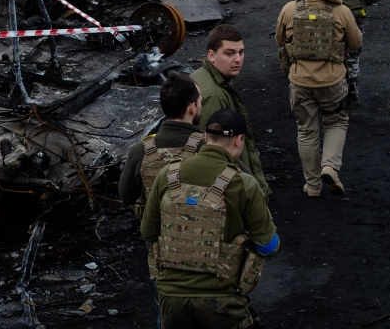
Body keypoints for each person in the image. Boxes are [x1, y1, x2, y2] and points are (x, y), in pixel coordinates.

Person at [142, 108, 279, 329]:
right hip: (221, 301)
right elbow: (268, 246)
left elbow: (147, 232)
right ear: (239, 141)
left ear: (205, 137)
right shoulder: (244, 183)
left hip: (171, 300)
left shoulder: (168, 174)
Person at [274, 0, 363, 197]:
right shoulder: (341, 11)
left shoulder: (289, 9)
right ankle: (330, 166)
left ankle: (313, 186)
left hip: (300, 82)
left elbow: (279, 40)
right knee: (336, 122)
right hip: (333, 82)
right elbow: (356, 43)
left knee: (306, 131)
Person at [191, 25, 270, 196]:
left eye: (241, 52)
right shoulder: (214, 95)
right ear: (211, 55)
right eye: (229, 53)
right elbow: (208, 149)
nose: (238, 59)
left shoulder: (201, 75)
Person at [118, 73, 204, 211]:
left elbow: (126, 196)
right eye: (200, 102)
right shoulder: (208, 147)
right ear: (192, 108)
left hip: (155, 230)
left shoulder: (140, 150)